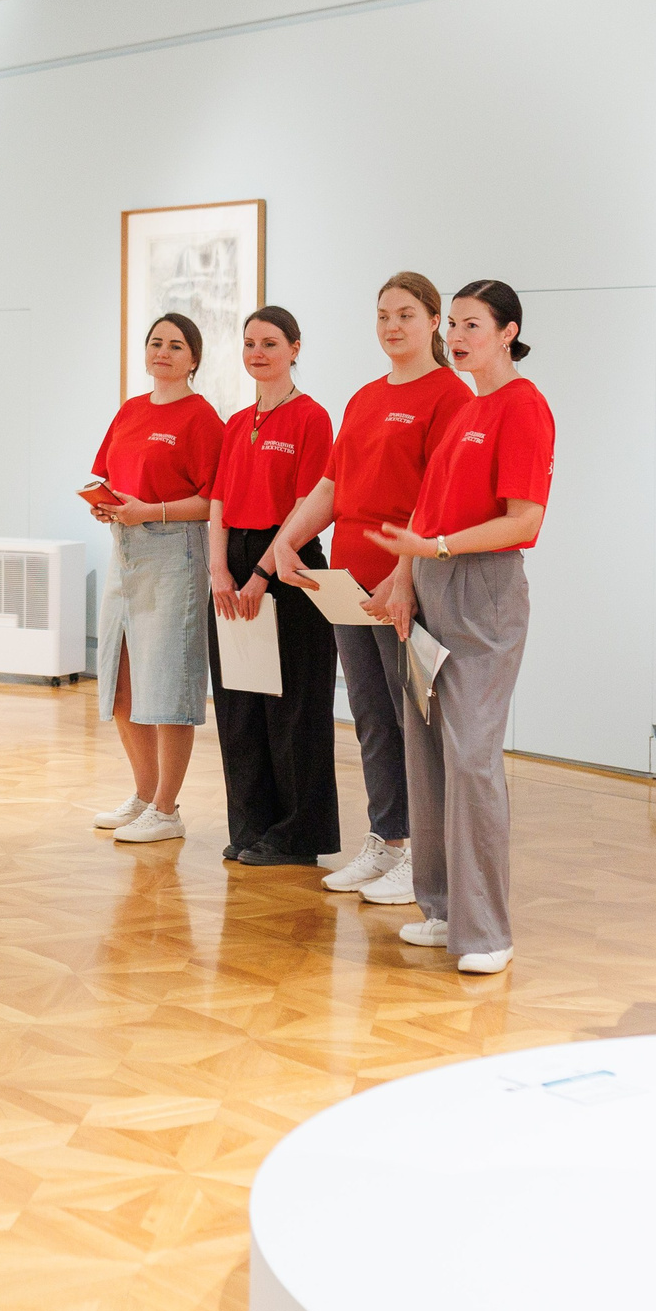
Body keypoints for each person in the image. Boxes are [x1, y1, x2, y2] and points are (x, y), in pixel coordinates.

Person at [268, 274, 472, 904]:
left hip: (404, 581)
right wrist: (285, 540)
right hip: (347, 581)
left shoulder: (450, 397)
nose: (392, 326)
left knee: (415, 717)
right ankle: (388, 838)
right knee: (371, 716)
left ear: (434, 321)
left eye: (406, 314)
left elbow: (438, 503)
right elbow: (331, 487)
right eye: (382, 315)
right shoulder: (362, 398)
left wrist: (403, 577)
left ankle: (426, 855)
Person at [371, 279, 554, 975]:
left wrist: (439, 552)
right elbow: (425, 508)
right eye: (454, 324)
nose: (458, 336)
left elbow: (524, 519)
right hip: (429, 584)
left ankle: (486, 930)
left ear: (508, 331)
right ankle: (441, 904)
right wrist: (401, 582)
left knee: (473, 754)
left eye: (472, 324)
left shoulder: (524, 406)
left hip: (484, 589)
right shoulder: (466, 408)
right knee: (428, 749)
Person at [207, 306, 339, 867]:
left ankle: (298, 835)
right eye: (249, 343)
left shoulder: (311, 417)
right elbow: (217, 502)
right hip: (232, 567)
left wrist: (262, 573)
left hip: (288, 565)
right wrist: (219, 570)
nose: (257, 352)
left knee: (293, 710)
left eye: (270, 342)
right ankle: (252, 826)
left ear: (295, 348)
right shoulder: (237, 423)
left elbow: (308, 505)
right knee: (240, 707)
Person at [87, 312, 223, 845]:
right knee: (122, 681)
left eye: (175, 345)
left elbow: (212, 500)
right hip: (126, 552)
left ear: (193, 358)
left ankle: (167, 808)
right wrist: (107, 505)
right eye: (155, 343)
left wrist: (153, 512)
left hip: (174, 557)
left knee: (166, 683)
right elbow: (108, 474)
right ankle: (143, 795)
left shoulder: (201, 418)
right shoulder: (131, 410)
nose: (162, 352)